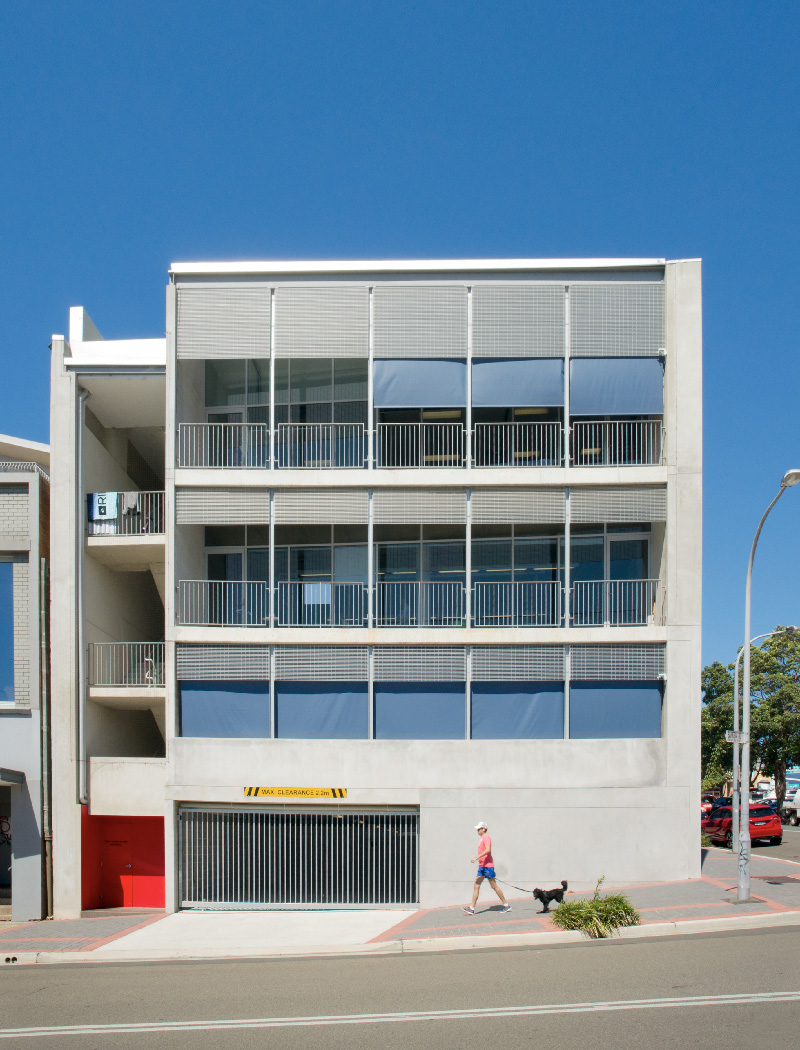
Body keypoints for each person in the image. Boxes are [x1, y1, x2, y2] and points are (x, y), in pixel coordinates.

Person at [463, 821, 511, 914]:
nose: (477, 830)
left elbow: (488, 850)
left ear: (483, 829)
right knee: (476, 885)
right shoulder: (482, 838)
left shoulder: (486, 837)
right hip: (482, 867)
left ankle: (506, 905)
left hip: (488, 866)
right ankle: (471, 908)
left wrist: (476, 857)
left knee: (493, 886)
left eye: (479, 829)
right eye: (477, 829)